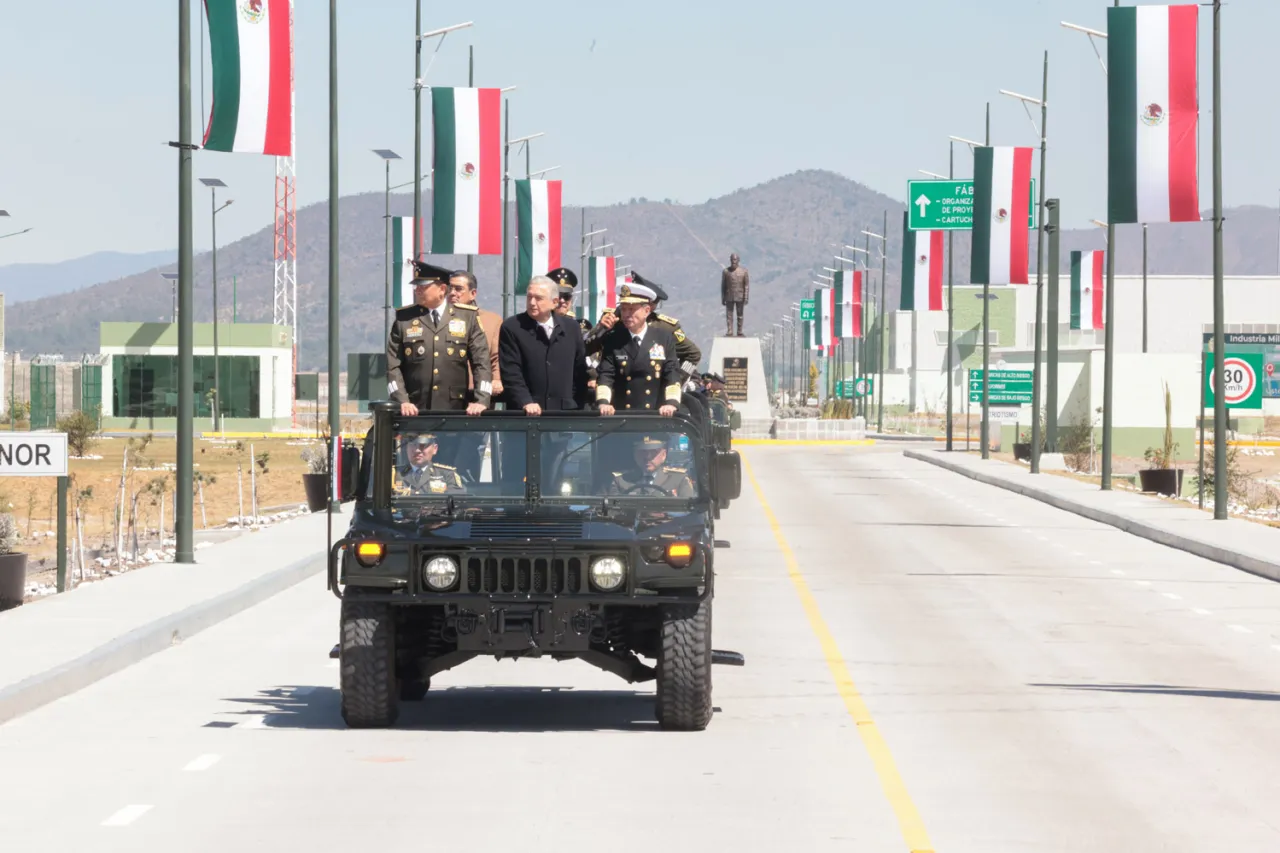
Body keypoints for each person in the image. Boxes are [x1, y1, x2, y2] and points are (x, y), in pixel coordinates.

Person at [385, 260, 492, 415]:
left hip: (455, 409)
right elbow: (392, 367)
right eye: (417, 286)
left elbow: (481, 363)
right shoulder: (404, 319)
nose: (417, 290)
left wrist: (481, 401)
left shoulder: (467, 317)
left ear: (442, 289)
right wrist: (401, 400)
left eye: (424, 286)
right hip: (414, 410)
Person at [498, 275, 589, 414]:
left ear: (554, 302)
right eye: (529, 297)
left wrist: (576, 405)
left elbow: (579, 371)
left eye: (539, 298)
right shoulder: (512, 327)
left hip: (564, 414)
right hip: (526, 414)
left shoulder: (571, 328)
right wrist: (525, 401)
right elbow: (511, 372)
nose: (532, 302)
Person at [594, 282, 682, 415]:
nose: (627, 314)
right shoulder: (613, 339)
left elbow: (672, 374)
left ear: (647, 311)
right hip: (623, 416)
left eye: (632, 309)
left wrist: (671, 403)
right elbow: (606, 375)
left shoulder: (663, 338)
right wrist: (603, 403)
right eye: (623, 309)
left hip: (654, 415)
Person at [446, 269, 503, 406]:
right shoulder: (436, 320)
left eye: (458, 289)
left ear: (473, 294)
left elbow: (496, 357)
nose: (452, 293)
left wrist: (496, 379)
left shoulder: (491, 321)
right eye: (449, 288)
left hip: (478, 394)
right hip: (445, 393)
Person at [629, 270, 702, 368]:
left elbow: (693, 354)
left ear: (649, 305)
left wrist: (677, 380)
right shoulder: (612, 321)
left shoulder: (664, 327)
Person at [605, 435, 694, 497]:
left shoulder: (679, 479)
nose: (647, 457)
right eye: (642, 452)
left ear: (664, 455)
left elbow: (689, 513)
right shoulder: (622, 481)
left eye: (653, 452)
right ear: (635, 454)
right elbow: (613, 512)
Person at [394, 433, 466, 495]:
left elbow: (457, 501)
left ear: (435, 449)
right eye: (413, 445)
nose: (417, 450)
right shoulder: (393, 474)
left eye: (423, 445)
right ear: (407, 447)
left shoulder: (447, 474)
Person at [720, 252, 749, 337]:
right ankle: (730, 331)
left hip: (740, 296)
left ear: (738, 260)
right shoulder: (726, 271)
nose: (734, 261)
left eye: (735, 259)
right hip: (729, 296)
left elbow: (746, 286)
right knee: (729, 315)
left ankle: (739, 331)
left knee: (740, 315)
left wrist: (746, 297)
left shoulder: (744, 271)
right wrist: (723, 297)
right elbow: (723, 285)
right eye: (732, 259)